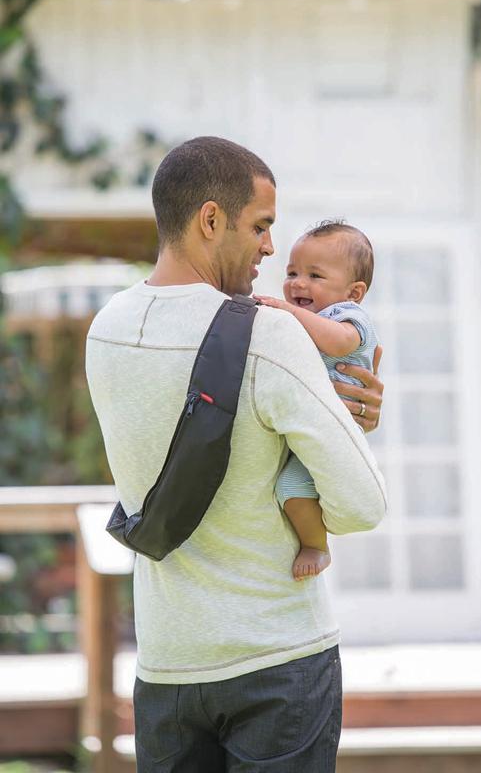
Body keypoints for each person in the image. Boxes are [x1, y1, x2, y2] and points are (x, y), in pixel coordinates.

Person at [85, 136, 386, 772]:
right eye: (260, 225)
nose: (271, 248)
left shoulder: (106, 329)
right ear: (210, 219)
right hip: (276, 660)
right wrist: (352, 423)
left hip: (167, 665)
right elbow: (362, 506)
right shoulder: (270, 333)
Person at [253, 220, 378, 581]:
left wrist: (291, 313)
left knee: (291, 487)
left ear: (354, 292)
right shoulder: (312, 319)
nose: (298, 283)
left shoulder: (348, 317)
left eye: (315, 275)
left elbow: (339, 343)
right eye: (292, 272)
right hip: (313, 423)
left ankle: (316, 545)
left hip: (336, 428)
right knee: (291, 486)